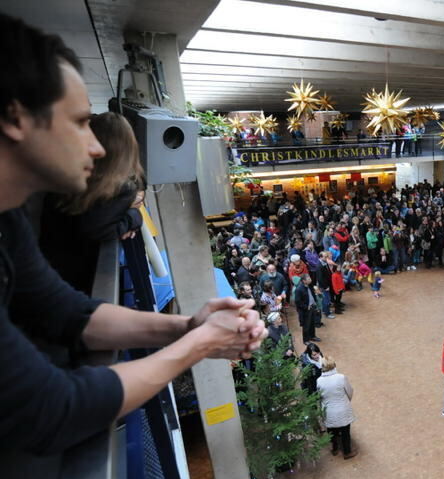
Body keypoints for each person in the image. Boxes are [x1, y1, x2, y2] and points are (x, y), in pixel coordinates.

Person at [0, 13, 266, 455]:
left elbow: (70, 314)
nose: (97, 146)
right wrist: (201, 343)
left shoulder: (8, 220)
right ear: (15, 118)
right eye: (80, 121)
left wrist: (188, 326)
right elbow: (51, 409)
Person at [39, 112, 145, 296]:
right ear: (129, 147)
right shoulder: (119, 188)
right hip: (75, 281)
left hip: (45, 266)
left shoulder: (65, 175)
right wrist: (134, 217)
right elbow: (100, 229)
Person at [317, 357, 357, 459]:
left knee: (331, 432)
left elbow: (319, 396)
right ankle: (347, 452)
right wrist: (346, 402)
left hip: (329, 411)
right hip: (342, 409)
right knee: (345, 432)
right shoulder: (341, 377)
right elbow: (349, 391)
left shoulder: (319, 381)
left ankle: (335, 449)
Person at [294, 274, 321, 344]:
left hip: (312, 307)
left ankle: (312, 336)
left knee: (312, 323)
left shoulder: (310, 286)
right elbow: (297, 301)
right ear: (304, 281)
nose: (310, 279)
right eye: (308, 279)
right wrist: (306, 307)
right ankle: (306, 340)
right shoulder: (299, 289)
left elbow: (312, 295)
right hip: (305, 310)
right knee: (306, 325)